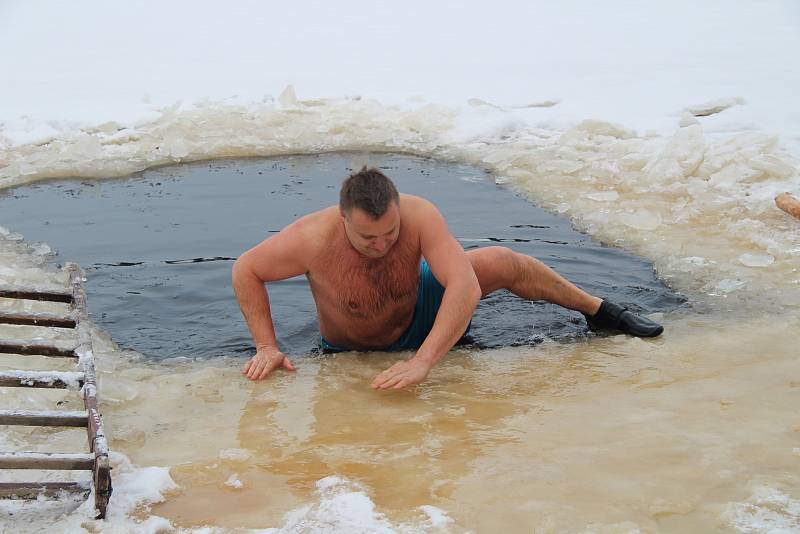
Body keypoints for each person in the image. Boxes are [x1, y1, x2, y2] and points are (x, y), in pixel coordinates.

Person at [232, 167, 663, 390]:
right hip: (354, 343)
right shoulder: (310, 238)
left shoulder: (420, 215)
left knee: (502, 260)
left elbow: (465, 285)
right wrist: (267, 346)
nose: (381, 245)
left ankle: (603, 312)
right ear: (343, 218)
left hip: (418, 309)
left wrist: (423, 361)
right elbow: (246, 270)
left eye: (390, 233)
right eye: (367, 238)